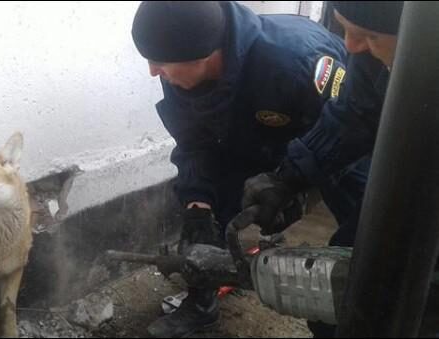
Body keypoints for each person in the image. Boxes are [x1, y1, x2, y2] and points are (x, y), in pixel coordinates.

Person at [131, 1, 366, 337]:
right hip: (251, 136)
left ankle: (354, 319)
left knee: (365, 227)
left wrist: (293, 184)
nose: (153, 71)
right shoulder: (179, 64)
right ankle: (201, 304)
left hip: (324, 135)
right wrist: (198, 205)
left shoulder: (296, 61)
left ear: (204, 54)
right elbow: (194, 142)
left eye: (160, 62)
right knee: (209, 212)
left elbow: (348, 130)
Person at [240, 1, 406, 336]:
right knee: (336, 291)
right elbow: (354, 113)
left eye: (370, 36)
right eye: (342, 26)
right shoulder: (372, 59)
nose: (349, 46)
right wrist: (288, 177)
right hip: (405, 190)